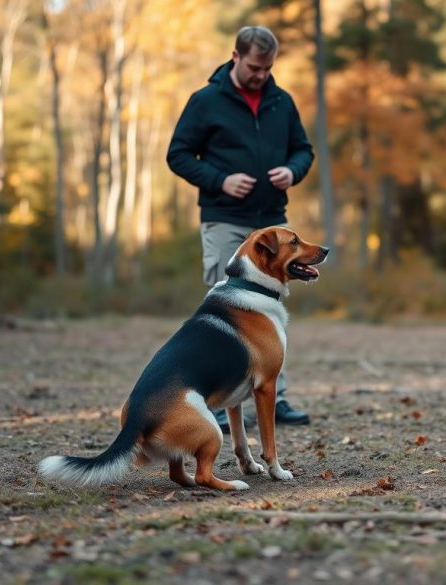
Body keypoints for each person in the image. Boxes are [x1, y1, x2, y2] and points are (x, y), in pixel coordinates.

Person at [166, 25, 314, 432]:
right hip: (225, 221)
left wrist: (292, 170)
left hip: (271, 222)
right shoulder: (206, 101)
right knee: (225, 312)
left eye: (267, 68)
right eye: (254, 67)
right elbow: (177, 155)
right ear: (235, 56)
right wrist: (219, 180)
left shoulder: (281, 102)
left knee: (271, 315)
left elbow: (303, 149)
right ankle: (213, 403)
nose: (260, 75)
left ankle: (275, 397)